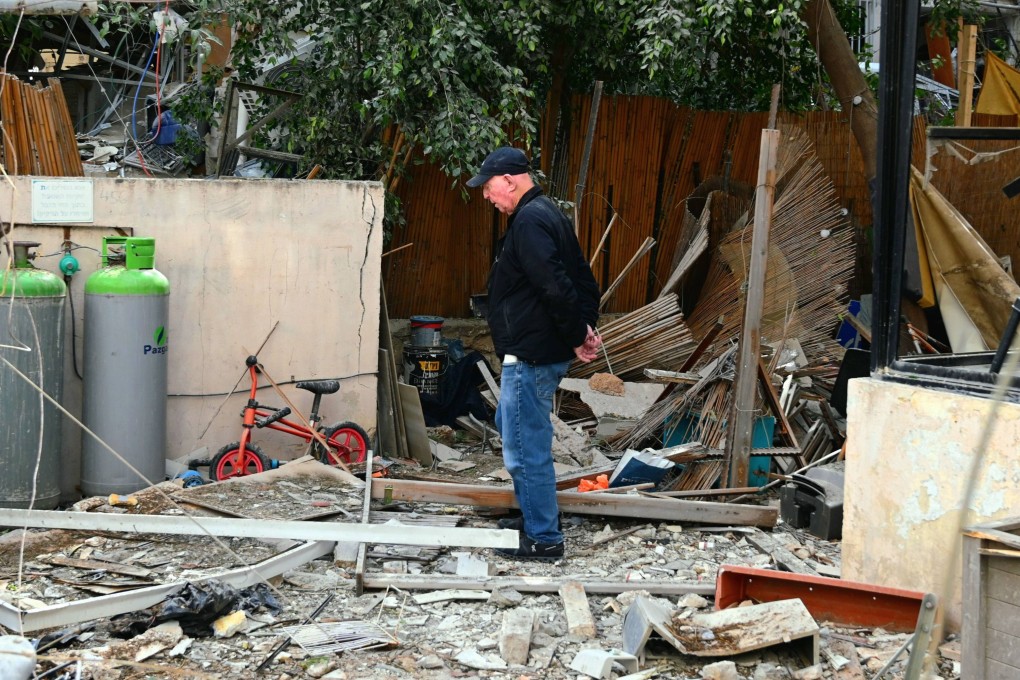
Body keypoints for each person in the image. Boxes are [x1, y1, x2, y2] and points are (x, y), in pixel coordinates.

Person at [466, 147, 602, 561]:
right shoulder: (547, 213)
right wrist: (585, 326)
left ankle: (544, 538)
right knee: (514, 428)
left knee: (525, 447)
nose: (488, 197)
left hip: (532, 354)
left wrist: (579, 333)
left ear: (509, 180)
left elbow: (555, 285)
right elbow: (580, 275)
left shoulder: (530, 221)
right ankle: (533, 516)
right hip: (535, 348)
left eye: (489, 188)